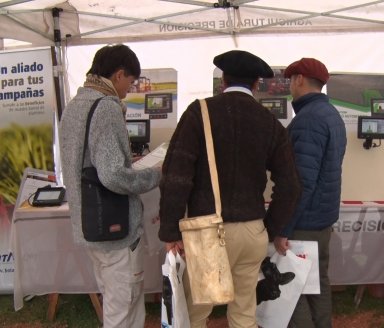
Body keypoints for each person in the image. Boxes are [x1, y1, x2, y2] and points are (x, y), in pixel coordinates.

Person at [158, 50, 301, 328]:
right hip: (252, 232)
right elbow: (291, 186)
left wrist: (170, 230)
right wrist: (268, 229)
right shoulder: (270, 122)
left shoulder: (199, 112)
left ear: (223, 79)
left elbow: (176, 177)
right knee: (244, 313)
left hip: (208, 231)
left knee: (198, 313)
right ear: (257, 84)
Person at [60, 44, 161, 328]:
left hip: (91, 223)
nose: (129, 89)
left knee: (116, 300)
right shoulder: (105, 106)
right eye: (130, 81)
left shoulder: (75, 104)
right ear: (118, 74)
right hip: (115, 229)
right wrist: (154, 175)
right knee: (123, 305)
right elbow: (113, 175)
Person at [280, 58, 347, 328]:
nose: (290, 86)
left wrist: (285, 226)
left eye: (290, 80)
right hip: (322, 218)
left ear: (299, 79)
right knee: (317, 284)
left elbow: (303, 182)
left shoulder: (308, 120)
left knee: (293, 290)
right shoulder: (331, 114)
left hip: (304, 223)